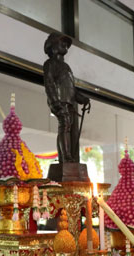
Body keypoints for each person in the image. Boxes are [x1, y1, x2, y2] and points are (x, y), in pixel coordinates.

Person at [43, 32, 91, 164]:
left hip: (68, 102)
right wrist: (54, 101)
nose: (65, 46)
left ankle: (66, 157)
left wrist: (82, 99)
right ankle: (66, 157)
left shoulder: (66, 67)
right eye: (61, 43)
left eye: (66, 44)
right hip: (59, 102)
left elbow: (71, 89)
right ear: (52, 47)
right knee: (64, 126)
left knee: (67, 128)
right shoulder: (50, 64)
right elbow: (49, 83)